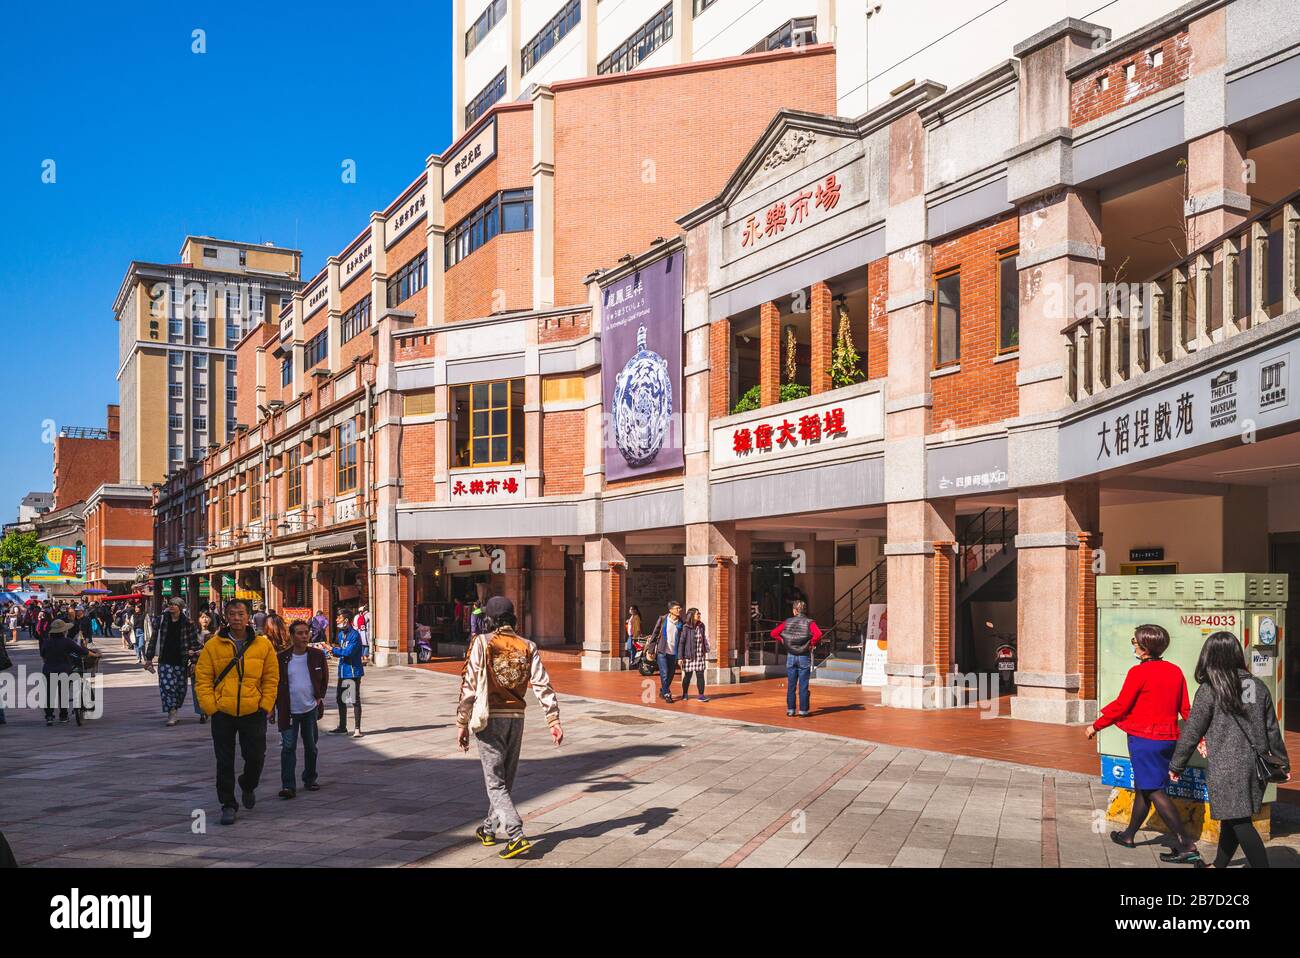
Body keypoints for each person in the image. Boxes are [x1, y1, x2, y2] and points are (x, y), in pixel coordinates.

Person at [1170, 631, 1291, 868]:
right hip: (1256, 766)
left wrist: (1177, 764)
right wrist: (1282, 763)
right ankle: (1219, 864)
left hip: (1226, 768)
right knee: (1235, 816)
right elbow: (1272, 730)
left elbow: (1193, 731)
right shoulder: (1258, 686)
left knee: (1240, 822)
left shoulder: (1210, 689)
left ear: (1210, 656)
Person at [456, 596, 563, 860]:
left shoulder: (482, 642)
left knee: (495, 782)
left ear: (489, 619)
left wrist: (461, 721)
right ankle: (489, 828)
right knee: (505, 779)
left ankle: (516, 835)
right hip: (517, 717)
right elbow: (542, 684)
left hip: (489, 717)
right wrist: (553, 719)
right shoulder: (528, 645)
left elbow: (469, 685)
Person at [1085, 623, 1201, 864]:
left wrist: (1096, 726)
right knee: (1144, 787)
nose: (1134, 647)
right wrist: (1199, 737)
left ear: (1146, 648)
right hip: (1167, 739)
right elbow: (1186, 709)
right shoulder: (1175, 671)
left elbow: (1121, 706)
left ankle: (1186, 844)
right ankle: (1129, 835)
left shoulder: (1138, 673)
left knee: (1154, 789)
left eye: (1135, 643)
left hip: (1144, 740)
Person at [194, 598, 279, 826]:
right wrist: (211, 706)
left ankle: (248, 784)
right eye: (232, 614)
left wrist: (266, 704)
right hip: (223, 712)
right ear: (226, 617)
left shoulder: (262, 645)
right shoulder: (213, 645)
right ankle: (228, 804)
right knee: (224, 761)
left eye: (241, 614)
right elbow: (202, 678)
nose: (237, 618)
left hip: (254, 710)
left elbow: (271, 677)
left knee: (256, 756)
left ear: (248, 616)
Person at [274, 620, 328, 799]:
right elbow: (275, 684)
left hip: (309, 709)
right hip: (289, 711)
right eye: (300, 633)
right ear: (291, 636)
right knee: (288, 747)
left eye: (306, 632)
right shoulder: (282, 658)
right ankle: (288, 786)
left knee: (311, 746)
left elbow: (324, 678)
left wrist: (319, 696)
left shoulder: (317, 655)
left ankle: (310, 778)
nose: (304, 636)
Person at [144, 597, 203, 727]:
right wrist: (149, 658)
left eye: (174, 604)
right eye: (170, 604)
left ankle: (175, 707)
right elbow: (154, 639)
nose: (171, 606)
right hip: (165, 660)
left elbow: (194, 644)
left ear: (180, 607)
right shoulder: (161, 621)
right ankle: (172, 713)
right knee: (167, 687)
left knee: (180, 689)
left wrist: (193, 661)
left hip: (181, 660)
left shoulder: (188, 623)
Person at [771, 600, 822, 717]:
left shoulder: (787, 622)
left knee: (791, 685)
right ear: (805, 610)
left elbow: (774, 633)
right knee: (803, 685)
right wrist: (811, 644)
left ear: (794, 610)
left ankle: (791, 710)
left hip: (791, 656)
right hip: (804, 656)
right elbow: (818, 634)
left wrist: (784, 641)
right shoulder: (810, 622)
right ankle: (803, 711)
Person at [39, 619, 94, 726]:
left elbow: (43, 654)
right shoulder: (67, 641)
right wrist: (95, 655)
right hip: (64, 670)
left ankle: (49, 717)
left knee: (49, 694)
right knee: (63, 693)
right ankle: (63, 716)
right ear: (63, 631)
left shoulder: (46, 642)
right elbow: (82, 651)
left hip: (48, 669)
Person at [328, 609, 365, 738]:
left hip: (353, 672)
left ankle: (357, 729)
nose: (337, 620)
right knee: (340, 699)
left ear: (346, 620)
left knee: (354, 700)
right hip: (343, 671)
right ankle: (342, 726)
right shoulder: (340, 634)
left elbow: (348, 652)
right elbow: (341, 650)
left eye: (339, 618)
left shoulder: (354, 635)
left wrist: (332, 649)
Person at [648, 601, 685, 703]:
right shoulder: (663, 619)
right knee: (664, 673)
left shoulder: (681, 622)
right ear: (671, 610)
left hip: (674, 653)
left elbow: (682, 640)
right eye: (677, 608)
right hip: (662, 651)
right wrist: (651, 649)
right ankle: (667, 693)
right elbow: (655, 634)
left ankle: (663, 690)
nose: (679, 610)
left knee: (671, 674)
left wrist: (681, 655)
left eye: (680, 608)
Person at [678, 607, 710, 702]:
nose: (699, 615)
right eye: (697, 613)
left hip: (699, 655)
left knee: (700, 675)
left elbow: (703, 638)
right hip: (689, 656)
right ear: (692, 615)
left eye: (699, 613)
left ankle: (701, 696)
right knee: (688, 676)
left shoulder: (701, 626)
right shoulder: (686, 627)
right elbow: (681, 642)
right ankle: (685, 694)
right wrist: (680, 657)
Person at [192, 609, 217, 722]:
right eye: (202, 617)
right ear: (198, 619)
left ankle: (211, 709)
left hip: (213, 666)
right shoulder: (194, 634)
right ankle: (201, 712)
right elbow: (189, 646)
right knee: (197, 689)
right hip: (196, 664)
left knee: (212, 688)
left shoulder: (216, 634)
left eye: (207, 617)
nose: (205, 619)